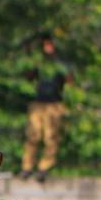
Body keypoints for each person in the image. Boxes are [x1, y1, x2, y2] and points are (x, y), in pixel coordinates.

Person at [19, 35, 73, 177]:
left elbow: (70, 79)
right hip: (38, 102)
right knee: (33, 135)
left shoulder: (61, 63)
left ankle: (44, 167)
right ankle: (27, 166)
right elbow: (29, 76)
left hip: (54, 104)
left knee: (51, 137)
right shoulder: (39, 62)